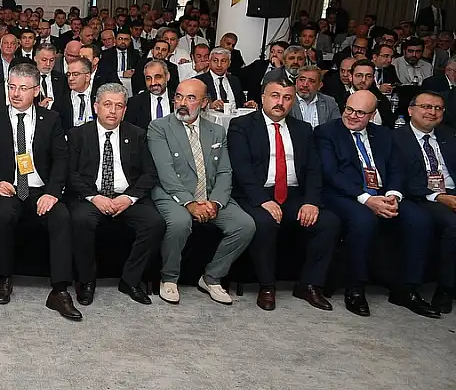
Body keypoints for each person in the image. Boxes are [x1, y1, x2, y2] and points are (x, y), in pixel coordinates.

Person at [227, 73, 339, 311]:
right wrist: (262, 200)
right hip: (255, 194)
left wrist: (311, 202)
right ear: (263, 97)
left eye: (287, 98)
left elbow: (314, 169)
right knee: (265, 223)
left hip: (293, 194)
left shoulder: (303, 129)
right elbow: (242, 168)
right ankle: (267, 286)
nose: (280, 102)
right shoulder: (242, 126)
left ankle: (309, 284)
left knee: (328, 222)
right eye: (275, 96)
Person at [318, 90, 434, 318]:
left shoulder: (384, 135)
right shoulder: (327, 132)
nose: (352, 116)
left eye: (360, 113)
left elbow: (396, 168)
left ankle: (407, 289)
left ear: (372, 115)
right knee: (364, 220)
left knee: (420, 220)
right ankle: (355, 287)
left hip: (383, 193)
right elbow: (332, 174)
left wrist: (393, 195)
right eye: (349, 109)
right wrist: (367, 199)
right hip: (344, 195)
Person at [147, 78, 255, 305]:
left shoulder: (216, 131)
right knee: (180, 222)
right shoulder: (159, 127)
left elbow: (225, 171)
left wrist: (215, 202)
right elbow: (166, 173)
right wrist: (190, 203)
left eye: (190, 98)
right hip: (172, 194)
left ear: (204, 103)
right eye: (178, 96)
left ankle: (212, 277)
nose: (182, 103)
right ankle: (169, 278)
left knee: (244, 225)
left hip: (209, 195)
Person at [0, 64, 77, 317]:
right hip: (8, 188)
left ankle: (60, 290)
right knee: (3, 215)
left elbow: (61, 159)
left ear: (36, 91)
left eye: (23, 88)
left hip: (40, 189)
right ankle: (4, 278)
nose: (16, 93)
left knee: (61, 216)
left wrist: (53, 192)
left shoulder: (51, 119)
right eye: (12, 87)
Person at [66, 82, 163, 308]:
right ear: (96, 107)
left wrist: (128, 198)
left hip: (125, 196)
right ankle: (86, 281)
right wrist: (94, 197)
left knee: (155, 223)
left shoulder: (137, 134)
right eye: (107, 104)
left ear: (125, 110)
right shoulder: (78, 135)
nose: (113, 111)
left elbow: (150, 173)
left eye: (119, 106)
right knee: (81, 220)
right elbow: (70, 174)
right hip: (90, 197)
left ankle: (130, 280)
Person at [392, 91, 456, 315]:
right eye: (426, 107)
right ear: (411, 110)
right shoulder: (395, 138)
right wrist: (438, 197)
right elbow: (399, 177)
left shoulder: (449, 135)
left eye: (438, 108)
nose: (432, 112)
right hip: (418, 195)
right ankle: (444, 289)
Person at [56, 57, 97, 128]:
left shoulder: (99, 96)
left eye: (75, 74)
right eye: (68, 74)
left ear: (87, 76)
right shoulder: (61, 99)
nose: (70, 78)